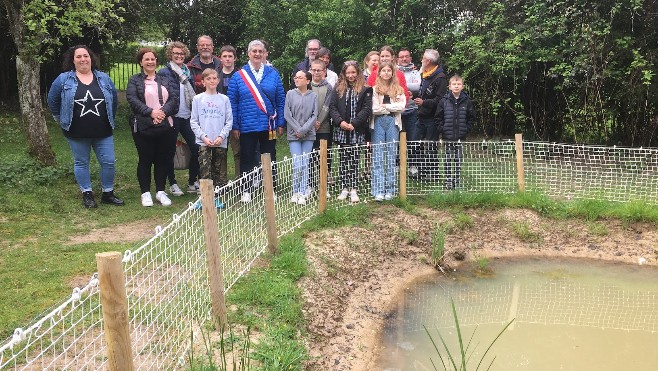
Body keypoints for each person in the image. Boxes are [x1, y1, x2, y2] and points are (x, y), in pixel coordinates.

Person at [47, 45, 124, 208]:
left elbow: (114, 100)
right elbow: (52, 100)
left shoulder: (103, 78)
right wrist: (60, 119)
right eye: (79, 57)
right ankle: (87, 194)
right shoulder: (64, 79)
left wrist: (110, 116)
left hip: (103, 131)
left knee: (109, 161)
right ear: (73, 60)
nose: (83, 59)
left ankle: (107, 193)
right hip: (76, 132)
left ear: (91, 58)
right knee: (81, 162)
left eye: (86, 56)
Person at [227, 40, 285, 203]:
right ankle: (246, 189)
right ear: (248, 54)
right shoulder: (239, 76)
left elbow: (280, 99)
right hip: (247, 124)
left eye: (260, 51)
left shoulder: (273, 74)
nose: (257, 54)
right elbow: (233, 102)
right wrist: (235, 125)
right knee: (246, 157)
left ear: (265, 53)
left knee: (270, 156)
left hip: (269, 125)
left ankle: (270, 188)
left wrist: (281, 122)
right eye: (254, 51)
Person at [126, 48, 179, 207]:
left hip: (165, 124)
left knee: (162, 159)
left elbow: (173, 98)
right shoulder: (134, 80)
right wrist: (151, 113)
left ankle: (161, 192)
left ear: (156, 61)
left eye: (153, 59)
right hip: (144, 126)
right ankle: (145, 193)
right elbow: (132, 99)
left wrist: (162, 113)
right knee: (145, 159)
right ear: (141, 62)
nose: (150, 62)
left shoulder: (164, 79)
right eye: (146, 59)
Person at [157, 41, 199, 196]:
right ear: (170, 55)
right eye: (176, 53)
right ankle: (172, 183)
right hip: (172, 116)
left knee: (196, 148)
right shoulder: (164, 72)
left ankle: (192, 181)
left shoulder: (188, 72)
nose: (179, 56)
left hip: (187, 115)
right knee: (169, 151)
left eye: (181, 53)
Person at [329, 61, 373, 203]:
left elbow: (367, 109)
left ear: (358, 73)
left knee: (354, 159)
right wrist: (340, 122)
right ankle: (344, 187)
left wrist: (354, 123)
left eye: (353, 72)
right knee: (343, 160)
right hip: (342, 128)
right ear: (344, 74)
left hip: (357, 129)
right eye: (348, 73)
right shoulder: (337, 88)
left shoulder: (365, 89)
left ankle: (353, 188)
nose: (350, 75)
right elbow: (332, 107)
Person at [190, 69, 233, 190]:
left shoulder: (224, 99)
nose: (212, 81)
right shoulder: (198, 99)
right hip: (204, 141)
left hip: (220, 141)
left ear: (218, 81)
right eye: (208, 79)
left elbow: (229, 121)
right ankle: (204, 196)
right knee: (205, 170)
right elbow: (193, 121)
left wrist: (221, 136)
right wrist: (203, 137)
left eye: (214, 78)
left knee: (217, 170)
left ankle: (216, 195)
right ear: (203, 82)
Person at [370, 62, 406, 201]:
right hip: (378, 122)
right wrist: (390, 108)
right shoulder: (374, 90)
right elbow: (373, 109)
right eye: (383, 70)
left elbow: (401, 107)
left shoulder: (399, 89)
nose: (386, 73)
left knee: (391, 155)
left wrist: (386, 106)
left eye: (388, 70)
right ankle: (378, 190)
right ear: (379, 73)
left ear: (392, 73)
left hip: (393, 122)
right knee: (378, 156)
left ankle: (390, 189)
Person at [411, 49, 447, 180]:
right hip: (421, 116)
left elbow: (440, 100)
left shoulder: (440, 77)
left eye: (423, 58)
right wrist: (414, 95)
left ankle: (433, 173)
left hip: (433, 117)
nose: (421, 60)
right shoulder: (424, 74)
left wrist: (424, 102)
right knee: (414, 143)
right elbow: (423, 93)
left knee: (431, 146)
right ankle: (419, 170)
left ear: (428, 61)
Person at [435, 75, 476, 190]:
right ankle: (448, 180)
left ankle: (456, 180)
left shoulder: (467, 101)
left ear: (462, 86)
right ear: (449, 86)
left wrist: (466, 129)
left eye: (458, 84)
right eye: (454, 84)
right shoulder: (444, 100)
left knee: (458, 159)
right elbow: (438, 117)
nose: (456, 86)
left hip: (460, 136)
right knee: (448, 159)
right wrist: (442, 129)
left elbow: (471, 117)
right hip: (447, 136)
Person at [285, 71, 318, 205]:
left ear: (307, 81)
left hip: (308, 135)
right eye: (295, 77)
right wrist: (297, 129)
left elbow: (314, 115)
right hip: (294, 135)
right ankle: (295, 191)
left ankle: (303, 192)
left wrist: (304, 130)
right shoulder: (290, 94)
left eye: (300, 77)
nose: (296, 79)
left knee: (305, 163)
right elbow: (287, 114)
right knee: (297, 164)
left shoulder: (313, 96)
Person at [309, 59, 335, 191]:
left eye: (319, 70)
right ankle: (310, 184)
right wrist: (310, 122)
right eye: (314, 70)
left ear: (324, 71)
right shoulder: (307, 85)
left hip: (323, 127)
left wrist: (318, 121)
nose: (316, 72)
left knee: (323, 156)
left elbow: (327, 106)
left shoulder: (329, 87)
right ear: (310, 70)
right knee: (310, 156)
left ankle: (323, 183)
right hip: (308, 128)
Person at [218, 45, 241, 179]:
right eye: (224, 56)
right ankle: (222, 182)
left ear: (235, 58)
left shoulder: (241, 75)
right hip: (220, 119)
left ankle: (239, 179)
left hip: (236, 118)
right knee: (221, 151)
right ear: (220, 58)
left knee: (238, 151)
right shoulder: (215, 75)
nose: (227, 59)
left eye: (230, 56)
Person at [397, 47, 421, 138]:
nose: (404, 59)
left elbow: (417, 87)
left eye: (406, 56)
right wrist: (409, 86)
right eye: (402, 57)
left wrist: (401, 85)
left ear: (410, 58)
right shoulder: (392, 71)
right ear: (397, 59)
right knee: (396, 142)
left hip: (412, 109)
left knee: (413, 140)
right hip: (396, 111)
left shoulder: (416, 72)